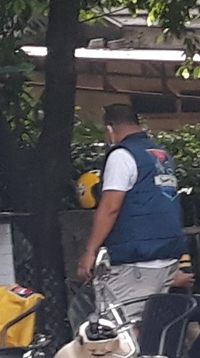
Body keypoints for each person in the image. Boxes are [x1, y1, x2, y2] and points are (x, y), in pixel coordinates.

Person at [79, 102, 190, 318]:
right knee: (149, 326)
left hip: (136, 261)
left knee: (118, 326)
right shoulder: (160, 154)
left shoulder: (121, 155)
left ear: (110, 129)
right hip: (167, 256)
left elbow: (111, 206)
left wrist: (90, 251)